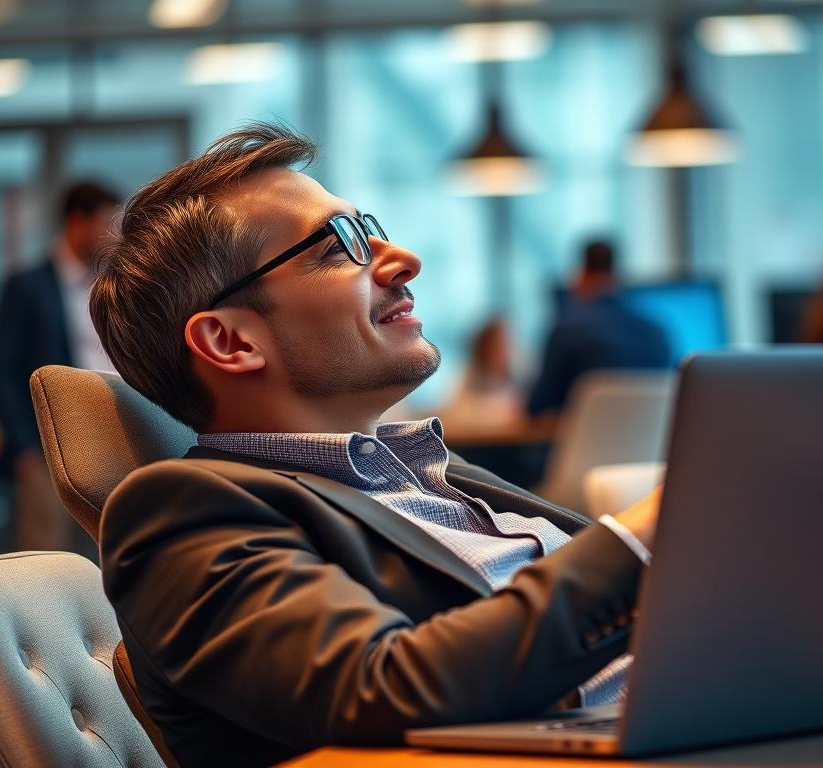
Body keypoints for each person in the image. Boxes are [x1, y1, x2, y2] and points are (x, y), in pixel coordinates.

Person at [89, 124, 660, 767]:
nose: (404, 257)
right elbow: (382, 691)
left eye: (371, 228)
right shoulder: (177, 514)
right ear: (231, 342)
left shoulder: (443, 477)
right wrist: (638, 542)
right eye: (341, 247)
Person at [0, 181, 119, 552]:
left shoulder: (113, 286)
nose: (114, 235)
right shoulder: (27, 286)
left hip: (107, 440)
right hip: (46, 446)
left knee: (105, 551)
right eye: (106, 224)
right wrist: (23, 448)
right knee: (48, 555)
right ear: (77, 223)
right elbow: (4, 371)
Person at [527, 239, 672, 416]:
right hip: (648, 442)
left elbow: (537, 405)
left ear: (582, 274)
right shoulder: (658, 330)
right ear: (617, 275)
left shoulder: (567, 329)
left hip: (586, 442)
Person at [437, 317, 524, 435]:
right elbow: (457, 416)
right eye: (497, 344)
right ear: (484, 347)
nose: (504, 350)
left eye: (506, 344)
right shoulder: (468, 376)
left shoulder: (514, 377)